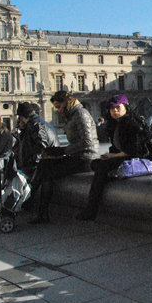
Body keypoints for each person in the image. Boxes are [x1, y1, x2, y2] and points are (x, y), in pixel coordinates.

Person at [76, 94, 152, 221]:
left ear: (126, 107)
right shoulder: (116, 124)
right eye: (112, 108)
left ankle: (92, 208)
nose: (114, 110)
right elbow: (117, 147)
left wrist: (113, 156)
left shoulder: (132, 123)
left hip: (145, 158)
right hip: (128, 156)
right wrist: (111, 155)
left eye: (118, 107)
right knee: (95, 163)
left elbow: (137, 151)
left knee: (101, 167)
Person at [29, 91, 99, 224]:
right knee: (44, 162)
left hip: (86, 158)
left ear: (66, 102)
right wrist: (58, 151)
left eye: (59, 106)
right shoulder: (72, 115)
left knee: (49, 173)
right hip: (77, 155)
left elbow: (87, 142)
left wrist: (62, 151)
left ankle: (41, 211)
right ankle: (31, 201)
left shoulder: (81, 114)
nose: (58, 110)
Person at [15, 102, 58, 180]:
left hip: (38, 168)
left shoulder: (34, 124)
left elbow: (41, 146)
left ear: (22, 117)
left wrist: (33, 163)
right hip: (47, 165)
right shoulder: (41, 122)